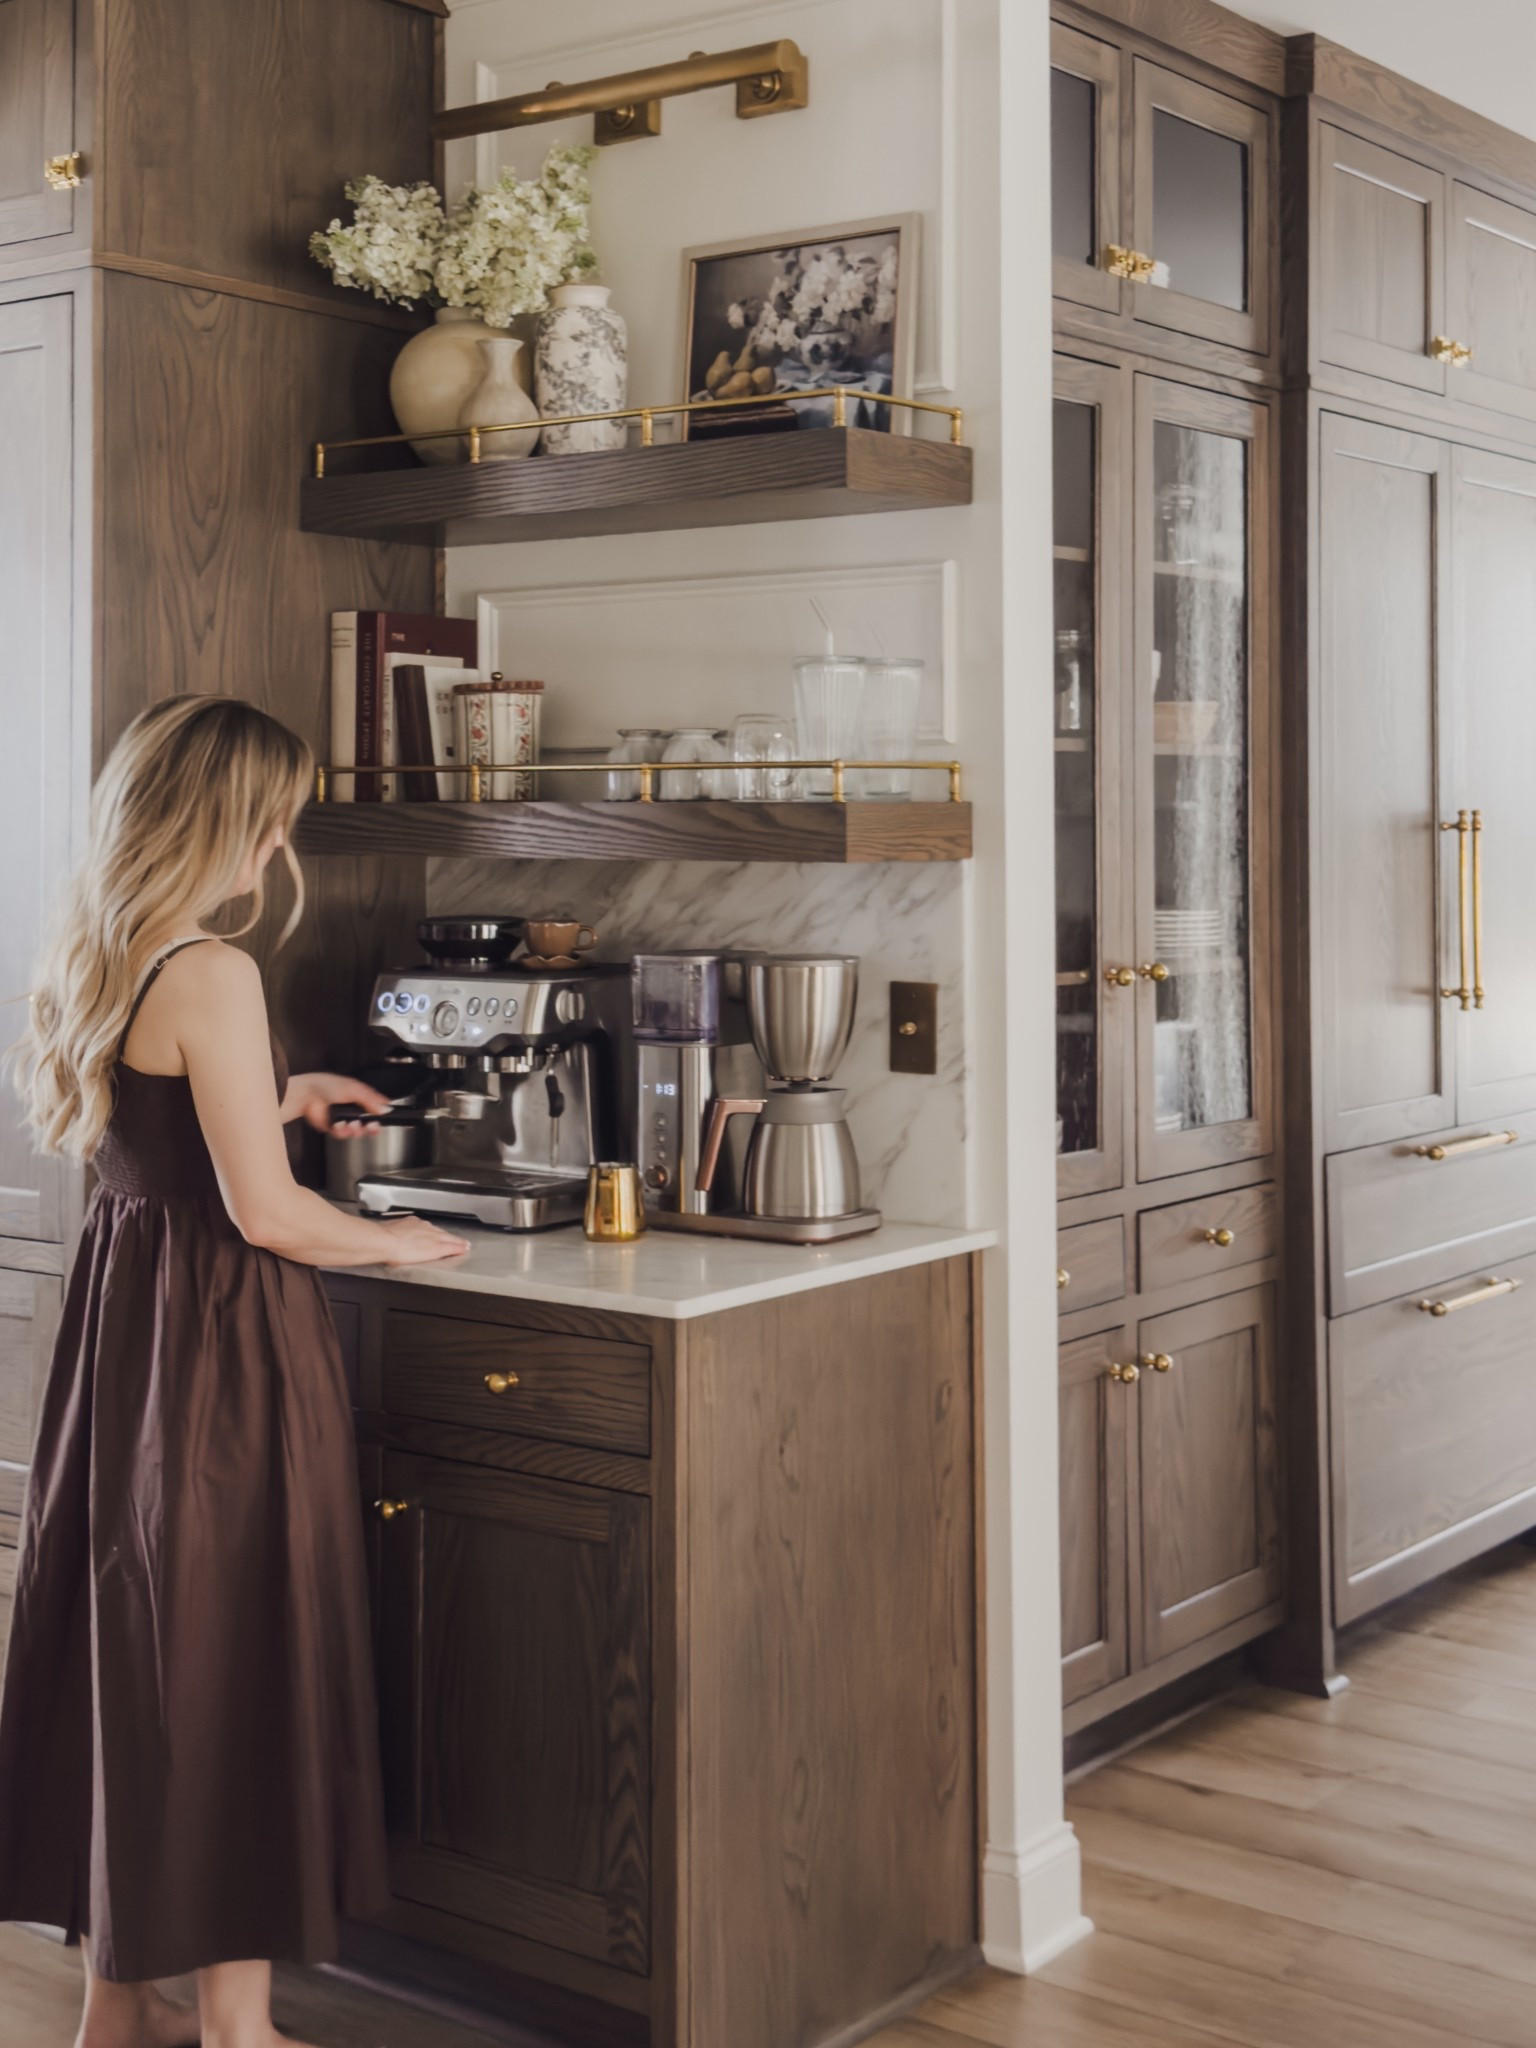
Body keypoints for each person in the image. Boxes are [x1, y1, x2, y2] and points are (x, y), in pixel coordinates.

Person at [0, 697, 468, 2048]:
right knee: (236, 1659)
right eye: (274, 815)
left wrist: (281, 1090)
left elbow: (162, 1135)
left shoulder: (110, 947)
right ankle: (238, 2031)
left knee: (143, 1658)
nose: (281, 842)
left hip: (128, 1341)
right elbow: (267, 1218)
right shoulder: (213, 968)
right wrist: (403, 1239)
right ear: (230, 822)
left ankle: (118, 2006)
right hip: (220, 1352)